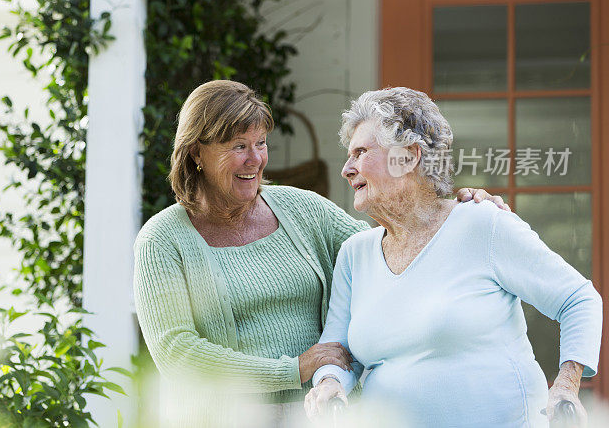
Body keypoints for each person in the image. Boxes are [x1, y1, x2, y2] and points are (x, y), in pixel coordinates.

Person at [133, 80, 507, 427]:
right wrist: (294, 369)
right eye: (238, 147)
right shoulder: (162, 241)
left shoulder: (303, 209)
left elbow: (393, 252)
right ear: (197, 152)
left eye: (260, 143)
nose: (255, 159)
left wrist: (454, 214)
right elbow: (177, 353)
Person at [304, 87, 602, 427]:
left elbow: (578, 298)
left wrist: (566, 386)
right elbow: (336, 351)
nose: (347, 168)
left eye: (359, 152)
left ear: (408, 157)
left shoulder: (481, 222)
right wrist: (328, 384)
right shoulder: (354, 254)